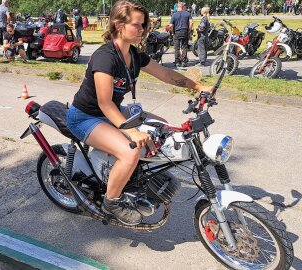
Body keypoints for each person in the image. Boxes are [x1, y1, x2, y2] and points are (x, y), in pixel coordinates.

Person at [66, 0, 213, 225]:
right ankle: (112, 201)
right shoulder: (105, 57)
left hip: (113, 112)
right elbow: (105, 103)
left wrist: (197, 87)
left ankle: (138, 179)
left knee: (162, 127)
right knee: (130, 151)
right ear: (118, 25)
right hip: (86, 116)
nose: (142, 29)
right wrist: (132, 132)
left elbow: (164, 73)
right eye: (137, 24)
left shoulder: (134, 54)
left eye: (143, 24)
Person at [170, 2, 193, 68]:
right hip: (185, 31)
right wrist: (189, 30)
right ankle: (184, 62)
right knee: (184, 46)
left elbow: (171, 25)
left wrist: (172, 32)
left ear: (178, 7)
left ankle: (177, 62)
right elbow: (191, 23)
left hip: (177, 32)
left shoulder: (174, 15)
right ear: (183, 7)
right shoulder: (188, 13)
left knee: (176, 48)